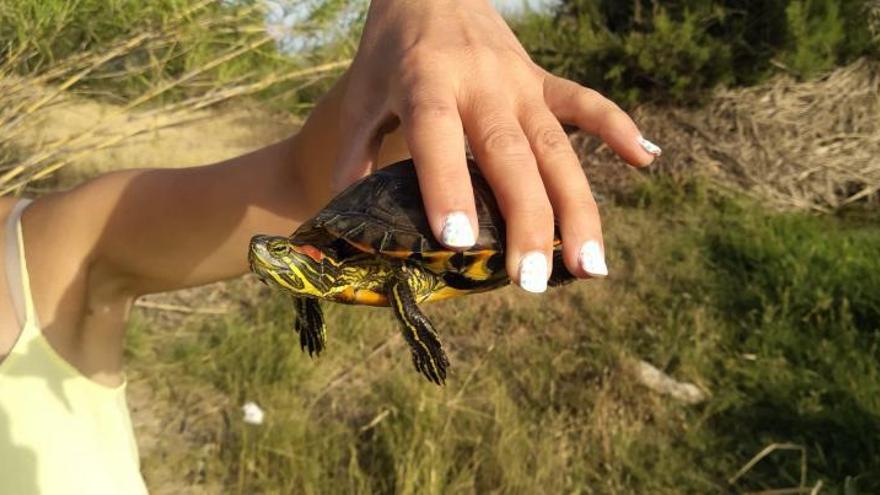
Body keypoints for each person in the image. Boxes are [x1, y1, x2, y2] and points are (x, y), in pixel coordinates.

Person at [0, 0, 661, 493]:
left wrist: (426, 19)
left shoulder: (43, 253)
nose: (278, 257)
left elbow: (310, 183)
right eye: (292, 262)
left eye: (288, 258)